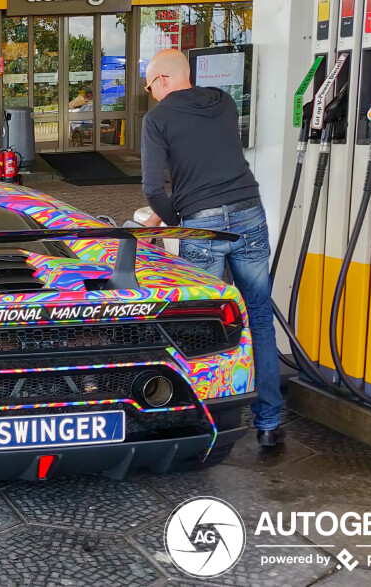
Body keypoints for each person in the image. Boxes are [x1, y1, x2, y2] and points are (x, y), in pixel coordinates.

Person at [139, 49, 283, 447]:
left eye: (150, 85)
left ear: (164, 80)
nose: (150, 94)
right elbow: (208, 164)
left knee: (201, 327)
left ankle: (202, 425)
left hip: (201, 226)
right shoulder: (222, 102)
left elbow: (153, 189)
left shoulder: (158, 119)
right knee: (258, 317)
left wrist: (171, 219)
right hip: (248, 214)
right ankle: (269, 424)